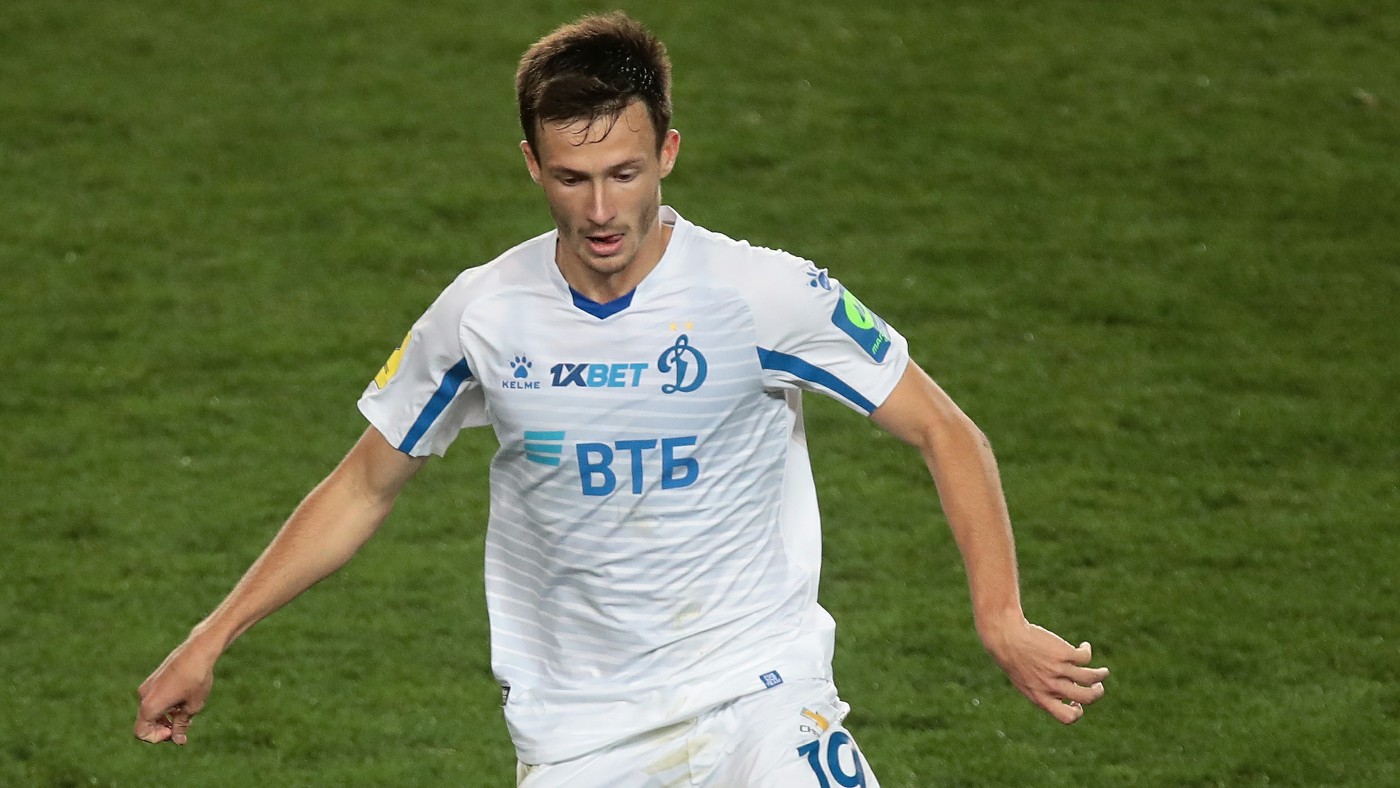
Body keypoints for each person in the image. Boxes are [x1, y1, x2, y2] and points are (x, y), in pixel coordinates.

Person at [134, 11, 1108, 786]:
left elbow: (943, 428)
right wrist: (209, 637)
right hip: (580, 737)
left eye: (623, 173)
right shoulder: (483, 314)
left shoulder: (763, 294)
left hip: (760, 695)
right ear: (531, 164)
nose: (601, 211)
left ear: (668, 152)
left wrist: (999, 614)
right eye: (571, 178)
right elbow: (362, 486)